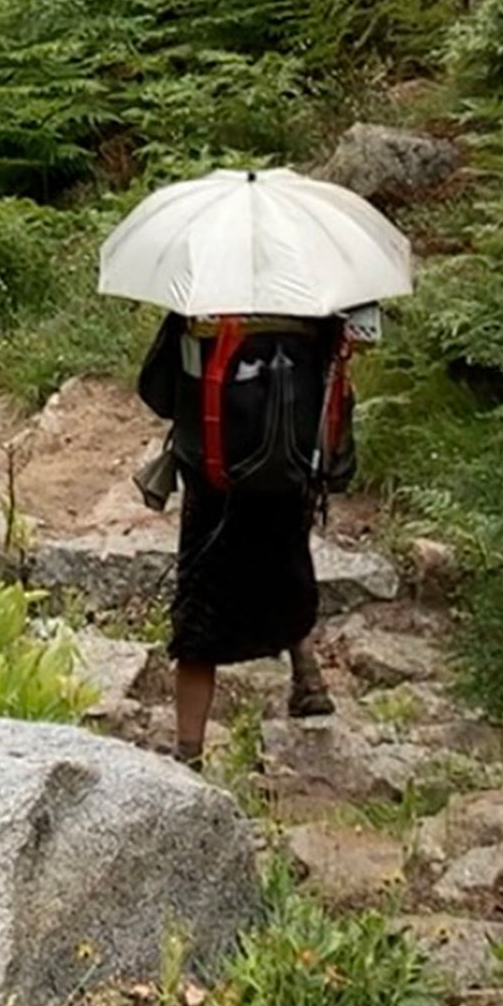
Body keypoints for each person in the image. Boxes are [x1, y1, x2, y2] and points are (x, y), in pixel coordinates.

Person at [137, 309, 357, 767]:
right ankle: (308, 679)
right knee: (287, 566)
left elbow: (156, 391)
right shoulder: (317, 307)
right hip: (291, 476)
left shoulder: (203, 307)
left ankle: (187, 752)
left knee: (201, 612)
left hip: (216, 484)